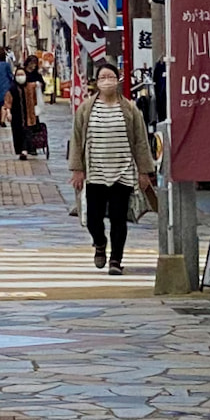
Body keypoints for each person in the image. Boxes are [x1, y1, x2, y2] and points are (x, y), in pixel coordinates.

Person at [70, 60, 156, 275]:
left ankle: (116, 260)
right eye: (102, 78)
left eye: (111, 77)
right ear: (96, 82)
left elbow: (141, 141)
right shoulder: (86, 109)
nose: (107, 81)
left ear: (118, 80)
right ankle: (99, 243)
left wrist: (144, 171)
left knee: (119, 218)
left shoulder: (130, 109)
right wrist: (77, 169)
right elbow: (77, 140)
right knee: (93, 218)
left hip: (122, 171)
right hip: (95, 172)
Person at [11, 53, 43, 160]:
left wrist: (38, 86)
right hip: (18, 108)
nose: (33, 66)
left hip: (31, 106)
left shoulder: (36, 74)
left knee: (31, 128)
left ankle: (30, 147)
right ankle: (23, 148)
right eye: (31, 63)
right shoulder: (22, 74)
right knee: (20, 129)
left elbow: (42, 86)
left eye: (35, 63)